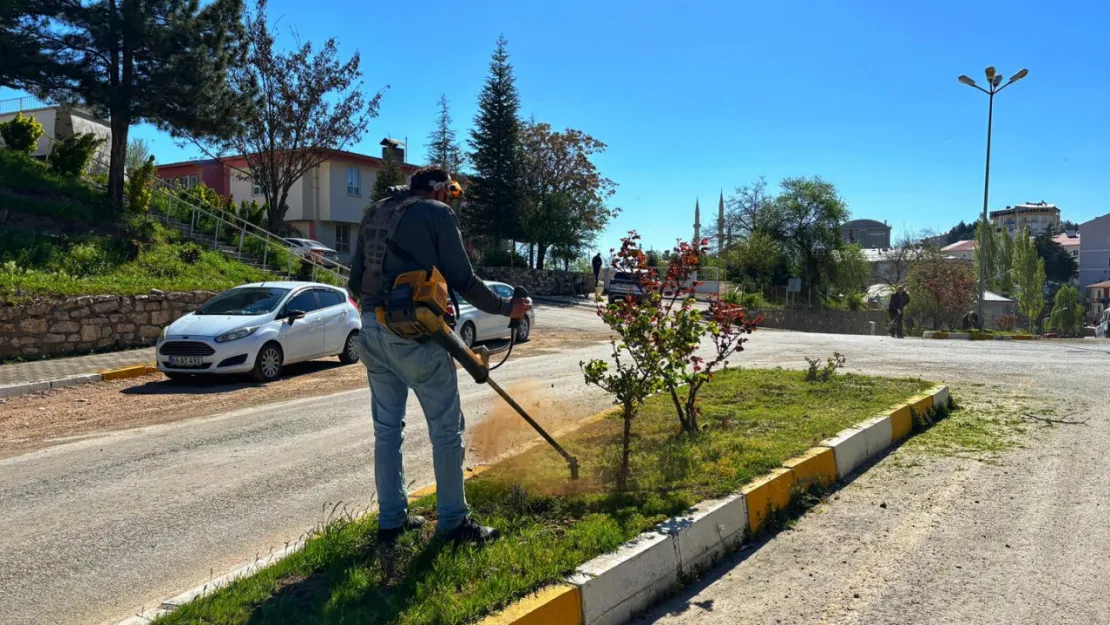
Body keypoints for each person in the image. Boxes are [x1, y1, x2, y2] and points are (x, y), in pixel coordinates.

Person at [348, 166, 530, 546]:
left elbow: (354, 282)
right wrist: (505, 308)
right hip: (413, 334)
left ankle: (391, 520)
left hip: (370, 331)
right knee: (447, 430)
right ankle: (453, 523)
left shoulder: (375, 211)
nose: (453, 199)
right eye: (453, 191)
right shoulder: (437, 213)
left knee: (387, 432)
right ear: (438, 190)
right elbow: (463, 280)